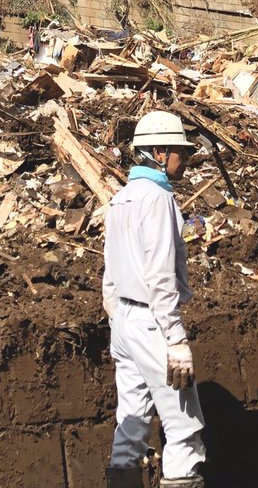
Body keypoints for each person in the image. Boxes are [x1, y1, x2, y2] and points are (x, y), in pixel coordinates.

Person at [102, 110, 206, 488]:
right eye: (182, 153)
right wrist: (175, 339)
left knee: (131, 423)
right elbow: (160, 276)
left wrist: (118, 323)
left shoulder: (121, 198)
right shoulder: (159, 199)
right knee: (183, 430)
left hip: (126, 320)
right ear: (159, 152)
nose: (186, 160)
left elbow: (110, 272)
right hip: (152, 322)